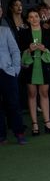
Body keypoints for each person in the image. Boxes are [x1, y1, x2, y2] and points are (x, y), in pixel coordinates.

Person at [17, 8, 50, 135]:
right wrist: (29, 49)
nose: (34, 19)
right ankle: (34, 123)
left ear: (40, 18)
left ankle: (47, 121)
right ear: (28, 20)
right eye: (31, 17)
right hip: (30, 67)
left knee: (44, 93)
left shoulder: (47, 31)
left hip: (45, 66)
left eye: (36, 16)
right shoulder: (23, 33)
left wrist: (44, 49)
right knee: (32, 94)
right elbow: (20, 50)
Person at [0, 11, 26, 145]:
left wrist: (16, 69)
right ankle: (1, 135)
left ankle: (19, 133)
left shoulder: (5, 31)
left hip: (7, 72)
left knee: (14, 103)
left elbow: (15, 51)